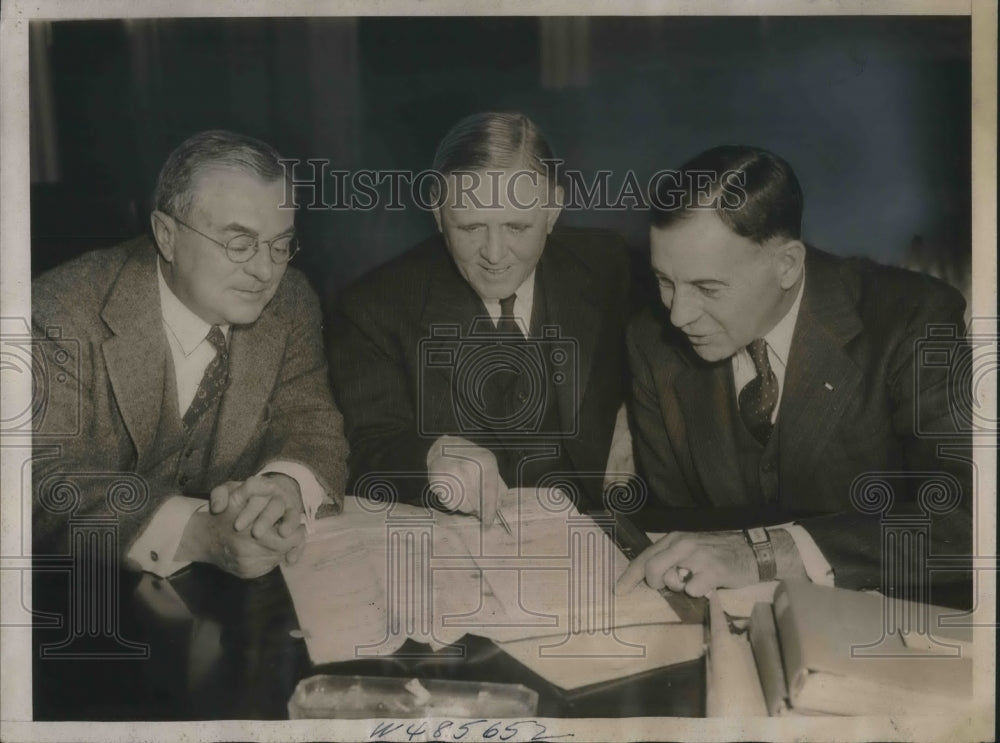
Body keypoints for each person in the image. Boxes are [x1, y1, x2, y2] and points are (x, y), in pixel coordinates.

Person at [617, 145, 971, 604]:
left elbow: (971, 516)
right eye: (665, 281)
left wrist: (770, 553)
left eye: (707, 288)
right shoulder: (651, 341)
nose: (679, 315)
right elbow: (679, 527)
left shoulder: (913, 320)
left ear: (786, 265)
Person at [32, 130, 349, 579]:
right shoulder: (57, 312)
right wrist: (194, 533)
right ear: (167, 236)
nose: (265, 271)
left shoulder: (290, 301)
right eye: (239, 243)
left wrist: (283, 488)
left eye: (280, 246)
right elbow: (35, 480)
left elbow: (310, 423)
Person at [327, 112, 631, 524]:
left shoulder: (611, 265)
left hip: (602, 532)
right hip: (464, 544)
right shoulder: (372, 309)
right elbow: (364, 451)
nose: (494, 254)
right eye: (471, 228)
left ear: (553, 209)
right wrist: (430, 457)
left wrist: (636, 416)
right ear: (438, 213)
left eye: (517, 227)